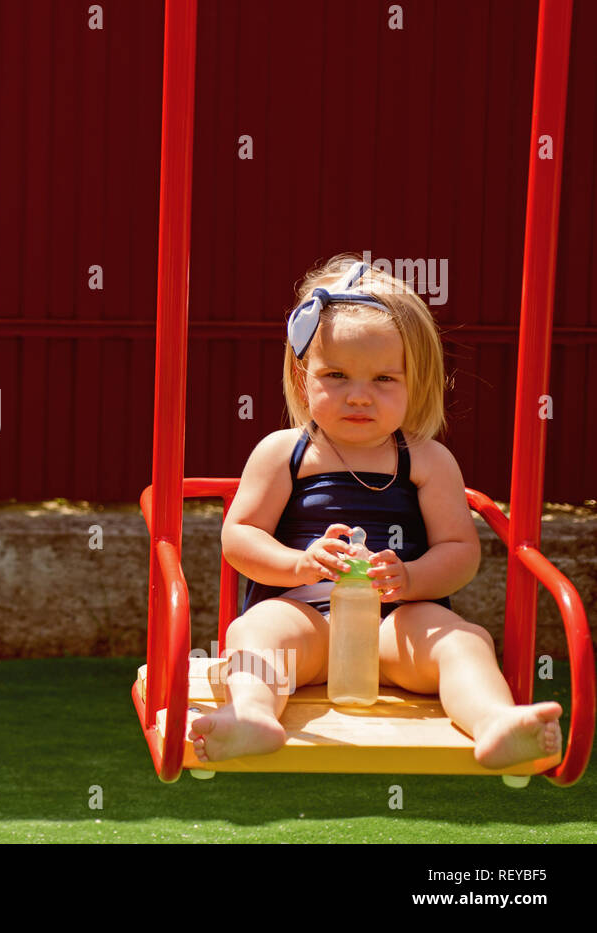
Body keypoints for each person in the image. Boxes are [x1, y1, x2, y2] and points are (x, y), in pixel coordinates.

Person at [194, 253, 562, 770]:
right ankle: (252, 714)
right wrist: (299, 563)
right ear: (304, 379)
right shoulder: (287, 452)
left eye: (384, 380)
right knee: (255, 631)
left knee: (463, 641)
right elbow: (240, 538)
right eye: (337, 375)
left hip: (397, 627)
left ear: (416, 382)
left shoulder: (427, 459)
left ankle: (495, 721)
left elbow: (459, 552)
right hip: (307, 624)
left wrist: (409, 577)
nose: (359, 397)